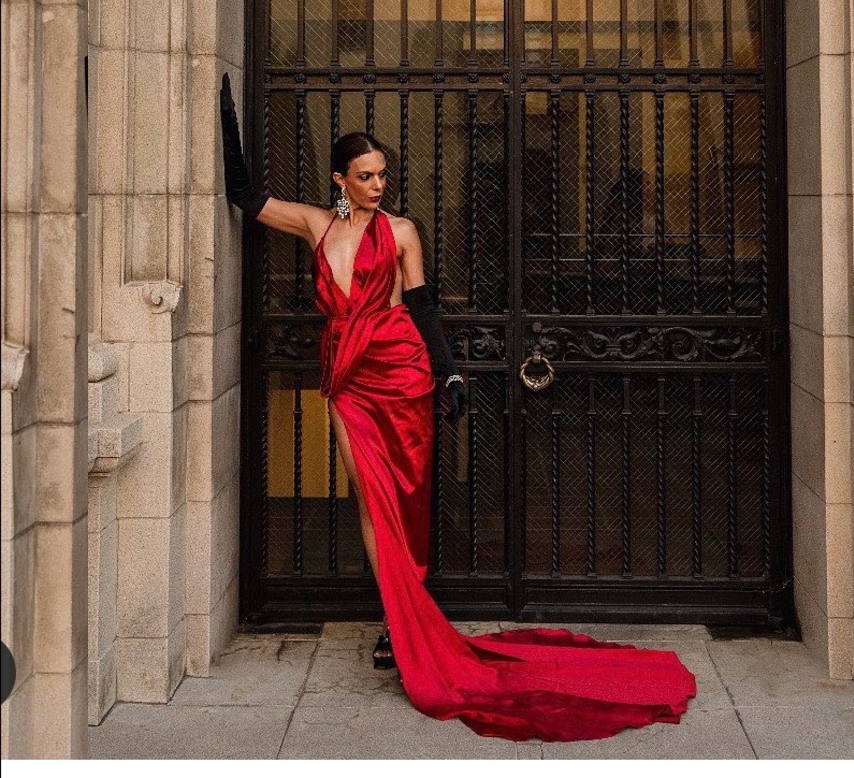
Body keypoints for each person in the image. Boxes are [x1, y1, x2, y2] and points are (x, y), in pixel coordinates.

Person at [220, 74, 697, 742]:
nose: (378, 185)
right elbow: (245, 196)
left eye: (383, 174)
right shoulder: (314, 224)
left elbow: (421, 307)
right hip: (347, 378)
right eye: (366, 176)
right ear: (340, 180)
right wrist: (227, 120)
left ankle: (398, 622)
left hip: (401, 371)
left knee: (407, 500)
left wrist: (446, 374)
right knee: (370, 500)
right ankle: (399, 617)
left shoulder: (402, 231)